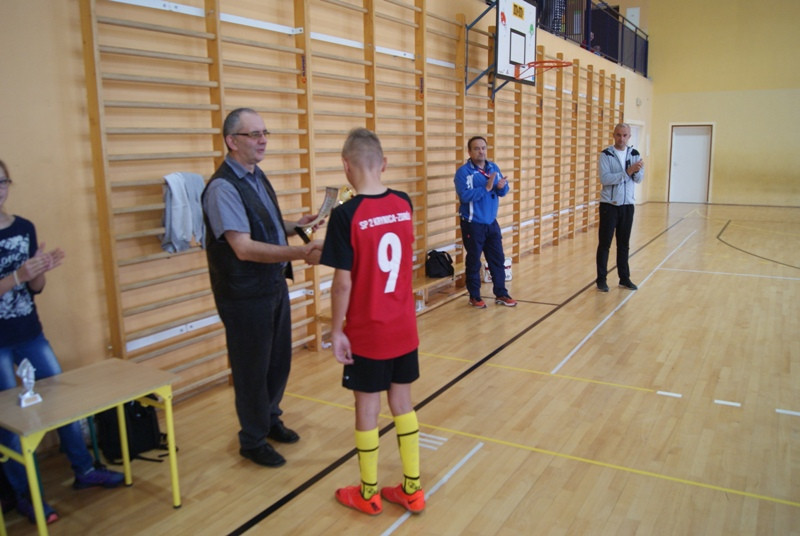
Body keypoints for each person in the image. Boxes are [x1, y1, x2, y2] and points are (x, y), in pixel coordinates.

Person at [0, 160, 124, 525]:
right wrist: (18, 275)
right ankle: (27, 495)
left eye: (3, 181)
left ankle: (84, 469)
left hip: (29, 332)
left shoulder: (23, 227)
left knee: (64, 403)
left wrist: (39, 272)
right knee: (10, 421)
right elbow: (18, 278)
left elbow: (35, 288)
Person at [202, 108, 324, 467]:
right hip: (243, 295)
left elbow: (264, 225)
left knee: (276, 362)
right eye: (254, 134)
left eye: (264, 133)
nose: (263, 140)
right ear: (232, 141)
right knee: (252, 369)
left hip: (271, 286)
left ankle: (269, 419)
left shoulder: (256, 175)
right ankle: (252, 440)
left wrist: (296, 226)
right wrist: (301, 252)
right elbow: (243, 247)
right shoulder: (223, 188)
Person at [321, 128, 425, 516]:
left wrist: (336, 330)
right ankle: (412, 489)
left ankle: (368, 492)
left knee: (367, 408)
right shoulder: (404, 203)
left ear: (345, 166)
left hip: (368, 331)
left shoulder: (345, 215)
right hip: (404, 326)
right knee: (402, 403)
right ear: (384, 163)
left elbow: (342, 283)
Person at [454, 136, 517, 309]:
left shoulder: (493, 167)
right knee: (474, 260)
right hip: (473, 224)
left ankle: (501, 294)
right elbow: (464, 196)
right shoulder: (464, 173)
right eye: (476, 148)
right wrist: (486, 188)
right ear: (469, 152)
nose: (481, 151)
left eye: (483, 148)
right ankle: (474, 296)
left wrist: (501, 187)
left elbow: (503, 191)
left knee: (497, 259)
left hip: (491, 223)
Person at [596, 123, 644, 292]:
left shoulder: (634, 154)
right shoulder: (606, 154)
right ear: (613, 135)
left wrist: (637, 171)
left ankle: (624, 278)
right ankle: (601, 279)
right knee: (605, 244)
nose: (621, 138)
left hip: (627, 206)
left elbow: (639, 179)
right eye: (618, 135)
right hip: (609, 206)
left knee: (624, 244)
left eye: (624, 135)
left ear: (629, 136)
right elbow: (605, 179)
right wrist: (628, 172)